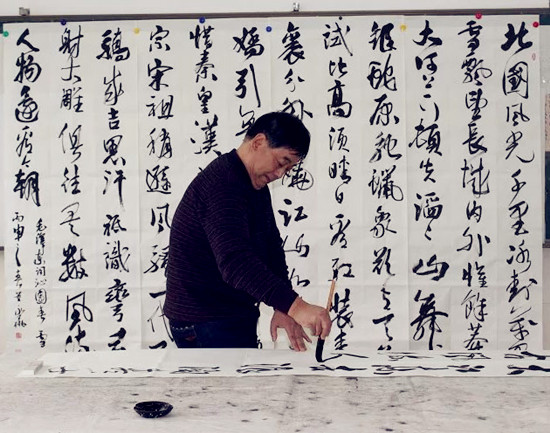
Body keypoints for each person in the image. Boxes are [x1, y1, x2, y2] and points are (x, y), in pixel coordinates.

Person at [164, 111, 332, 350]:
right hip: (204, 319)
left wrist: (282, 306)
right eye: (281, 162)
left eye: (288, 169)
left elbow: (271, 247)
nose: (280, 174)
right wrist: (296, 306)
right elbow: (235, 262)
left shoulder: (251, 182)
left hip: (226, 315)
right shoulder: (223, 184)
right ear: (258, 142)